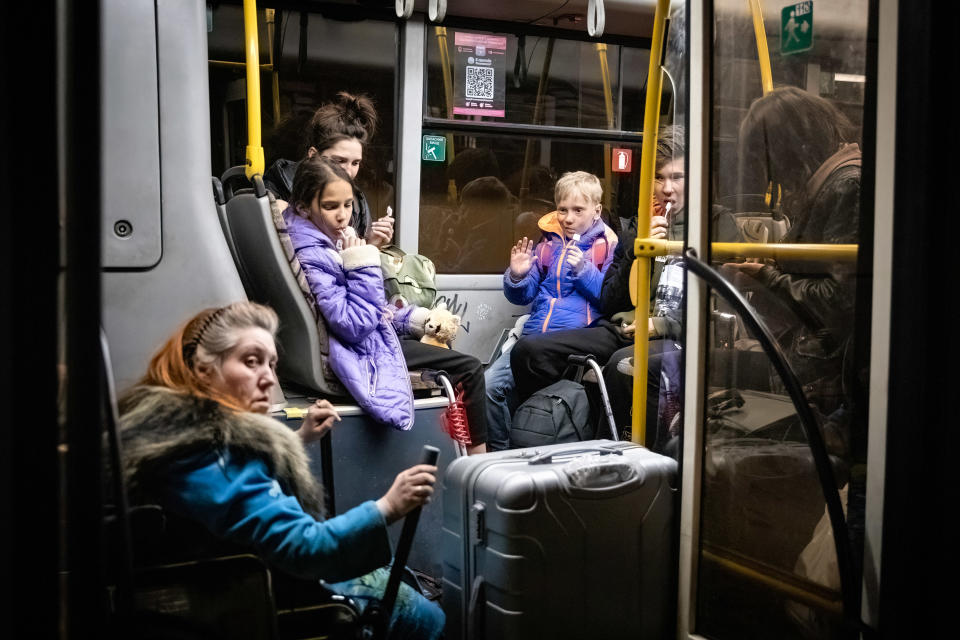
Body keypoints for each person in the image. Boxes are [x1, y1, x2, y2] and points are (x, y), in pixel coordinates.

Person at [117, 301, 445, 639]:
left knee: (396, 572)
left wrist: (300, 438)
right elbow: (307, 548)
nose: (269, 379)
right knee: (429, 618)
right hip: (271, 597)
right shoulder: (212, 456)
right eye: (251, 361)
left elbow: (245, 492)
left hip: (248, 582)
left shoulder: (179, 435)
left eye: (271, 365)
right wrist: (390, 505)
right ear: (204, 369)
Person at [510, 125, 742, 454]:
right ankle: (566, 433)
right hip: (624, 326)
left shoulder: (717, 224)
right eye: (659, 178)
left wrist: (661, 324)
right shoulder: (635, 225)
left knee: (622, 366)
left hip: (681, 333)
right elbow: (610, 298)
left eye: (677, 177)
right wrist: (636, 247)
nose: (667, 189)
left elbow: (721, 302)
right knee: (529, 353)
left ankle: (623, 460)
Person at [283, 155, 488, 453]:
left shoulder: (321, 240)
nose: (342, 216)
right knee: (468, 368)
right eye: (330, 207)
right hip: (355, 350)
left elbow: (366, 310)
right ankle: (479, 462)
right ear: (303, 207)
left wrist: (413, 319)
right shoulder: (315, 254)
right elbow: (353, 325)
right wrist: (363, 263)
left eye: (348, 204)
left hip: (360, 340)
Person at [723, 86, 861, 441]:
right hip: (805, 353)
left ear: (792, 150)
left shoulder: (846, 188)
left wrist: (766, 277)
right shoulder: (827, 183)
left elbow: (841, 299)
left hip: (822, 370)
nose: (775, 179)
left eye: (773, 163)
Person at [484, 171, 618, 451]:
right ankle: (501, 452)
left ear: (597, 211)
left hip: (573, 344)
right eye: (562, 210)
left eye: (578, 210)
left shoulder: (608, 247)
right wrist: (518, 276)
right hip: (532, 339)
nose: (568, 218)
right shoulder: (547, 246)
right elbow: (523, 296)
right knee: (487, 387)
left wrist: (584, 270)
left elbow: (610, 298)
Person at [264, 91, 395, 248]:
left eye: (355, 163)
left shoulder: (357, 203)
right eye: (339, 161)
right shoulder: (275, 192)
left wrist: (371, 244)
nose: (348, 171)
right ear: (313, 155)